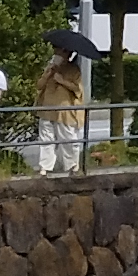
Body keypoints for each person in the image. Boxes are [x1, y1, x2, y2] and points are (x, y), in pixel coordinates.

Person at [29, 41, 91, 178]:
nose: (57, 53)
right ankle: (44, 169)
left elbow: (77, 89)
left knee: (68, 139)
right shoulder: (50, 68)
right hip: (47, 109)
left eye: (60, 51)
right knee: (46, 140)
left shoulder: (74, 70)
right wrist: (48, 74)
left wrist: (61, 80)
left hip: (65, 111)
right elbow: (39, 86)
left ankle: (73, 167)